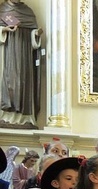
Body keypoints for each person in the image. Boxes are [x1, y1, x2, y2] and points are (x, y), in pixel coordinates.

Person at [0, 0, 42, 128]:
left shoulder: (27, 11)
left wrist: (35, 34)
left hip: (24, 56)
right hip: (7, 52)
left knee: (23, 83)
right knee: (9, 83)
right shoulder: (2, 9)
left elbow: (33, 34)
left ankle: (24, 118)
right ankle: (5, 116)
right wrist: (4, 29)